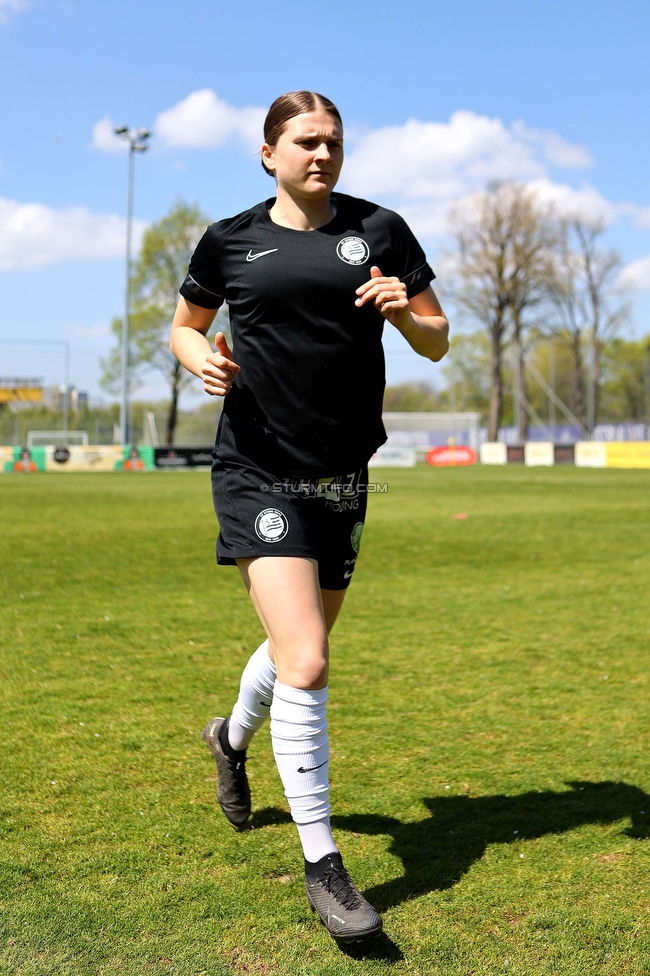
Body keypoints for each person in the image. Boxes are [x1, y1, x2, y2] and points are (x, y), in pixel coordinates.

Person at [170, 90, 449, 942]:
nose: (320, 155)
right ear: (268, 154)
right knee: (309, 655)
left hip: (343, 475)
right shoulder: (230, 239)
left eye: (332, 142)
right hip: (257, 469)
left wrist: (406, 311)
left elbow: (438, 339)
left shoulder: (382, 230)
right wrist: (202, 364)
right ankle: (325, 869)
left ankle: (231, 737)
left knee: (297, 651)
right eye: (304, 142)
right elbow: (185, 327)